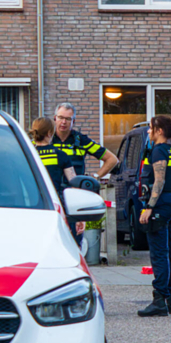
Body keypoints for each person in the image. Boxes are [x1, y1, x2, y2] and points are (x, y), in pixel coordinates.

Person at [51, 102, 118, 244]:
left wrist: (94, 178)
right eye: (61, 117)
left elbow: (112, 160)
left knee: (74, 240)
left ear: (73, 121)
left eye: (68, 119)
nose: (63, 122)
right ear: (54, 118)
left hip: (74, 196)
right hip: (51, 195)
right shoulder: (46, 140)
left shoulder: (81, 140)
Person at [137, 116, 171, 317]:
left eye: (150, 128)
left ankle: (159, 301)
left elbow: (159, 181)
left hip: (161, 204)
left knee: (159, 253)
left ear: (159, 131)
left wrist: (149, 207)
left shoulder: (158, 150)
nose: (148, 132)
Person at [29, 117, 77, 208]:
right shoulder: (60, 155)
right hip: (54, 204)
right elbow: (74, 182)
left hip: (31, 204)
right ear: (49, 133)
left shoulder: (28, 155)